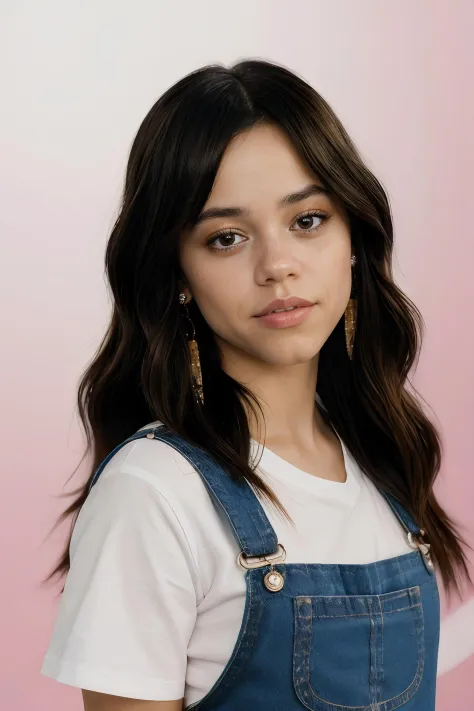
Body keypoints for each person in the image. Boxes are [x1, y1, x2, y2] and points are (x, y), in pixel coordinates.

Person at [41, 59, 471, 711]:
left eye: (307, 220)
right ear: (177, 270)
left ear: (354, 237)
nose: (278, 266)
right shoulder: (153, 493)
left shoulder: (383, 462)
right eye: (227, 237)